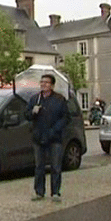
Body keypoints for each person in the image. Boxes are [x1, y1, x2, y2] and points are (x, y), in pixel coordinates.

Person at [24, 74, 68, 202]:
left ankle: (55, 192)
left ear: (52, 85)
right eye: (42, 82)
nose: (43, 84)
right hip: (38, 137)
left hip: (54, 138)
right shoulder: (35, 99)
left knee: (55, 166)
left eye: (46, 82)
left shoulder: (60, 99)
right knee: (39, 166)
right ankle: (39, 191)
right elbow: (26, 115)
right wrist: (33, 111)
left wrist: (54, 130)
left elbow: (65, 118)